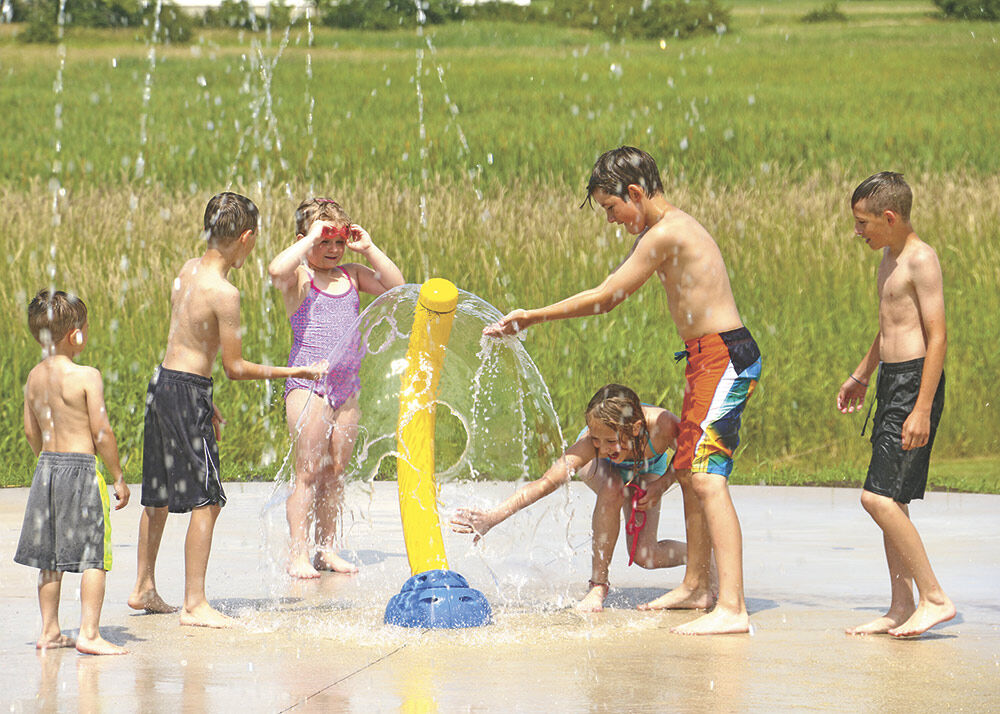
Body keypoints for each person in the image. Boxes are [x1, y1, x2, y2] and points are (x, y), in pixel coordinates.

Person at [484, 147, 761, 634]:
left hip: (724, 358)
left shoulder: (666, 232)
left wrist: (533, 316)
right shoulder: (662, 231)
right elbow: (608, 284)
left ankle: (732, 607)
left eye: (611, 208)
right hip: (705, 358)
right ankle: (697, 584)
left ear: (635, 192)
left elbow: (606, 297)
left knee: (707, 478)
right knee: (689, 472)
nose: (611, 220)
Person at [128, 192, 327, 628]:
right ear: (246, 238)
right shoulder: (225, 293)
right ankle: (195, 603)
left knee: (158, 495)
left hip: (163, 385)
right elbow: (235, 368)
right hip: (186, 393)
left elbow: (185, 341)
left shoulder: (187, 270)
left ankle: (143, 585)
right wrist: (297, 370)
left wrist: (202, 398)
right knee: (209, 499)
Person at [837, 171, 954, 638]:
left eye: (863, 222)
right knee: (893, 501)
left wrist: (921, 407)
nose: (857, 231)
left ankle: (935, 597)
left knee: (877, 498)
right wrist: (862, 375)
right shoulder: (888, 257)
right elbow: (889, 325)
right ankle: (902, 605)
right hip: (891, 380)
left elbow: (937, 336)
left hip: (913, 384)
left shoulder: (921, 260)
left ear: (889, 217)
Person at [451, 384, 686, 612]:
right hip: (601, 469)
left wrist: (662, 484)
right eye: (596, 440)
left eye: (610, 441)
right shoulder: (593, 445)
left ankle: (700, 556)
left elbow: (692, 450)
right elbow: (546, 483)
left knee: (646, 555)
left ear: (636, 428)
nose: (603, 448)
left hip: (649, 467)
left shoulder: (662, 424)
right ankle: (598, 585)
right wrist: (492, 517)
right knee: (613, 489)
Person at [268, 197, 404, 579]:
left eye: (338, 242)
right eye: (323, 241)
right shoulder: (300, 278)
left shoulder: (353, 275)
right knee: (308, 471)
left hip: (346, 388)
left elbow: (397, 287)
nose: (331, 250)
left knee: (335, 471)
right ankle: (298, 553)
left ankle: (326, 548)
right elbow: (275, 269)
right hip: (308, 386)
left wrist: (369, 248)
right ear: (306, 240)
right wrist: (309, 239)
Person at [15, 290, 130, 655]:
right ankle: (89, 633)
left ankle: (50, 631)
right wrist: (117, 475)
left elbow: (30, 430)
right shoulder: (86, 376)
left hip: (46, 469)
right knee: (94, 554)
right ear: (74, 334)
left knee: (50, 556)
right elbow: (102, 432)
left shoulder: (34, 377)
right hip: (82, 471)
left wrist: (46, 462)